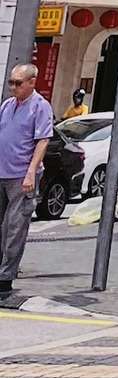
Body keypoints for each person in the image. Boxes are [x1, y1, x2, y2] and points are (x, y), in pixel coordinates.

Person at [0, 65, 54, 297]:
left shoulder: (40, 107)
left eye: (18, 83)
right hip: (2, 172)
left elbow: (42, 141)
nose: (13, 87)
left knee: (14, 228)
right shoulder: (7, 105)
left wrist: (31, 172)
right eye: (11, 82)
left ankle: (5, 278)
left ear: (32, 82)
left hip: (21, 177)